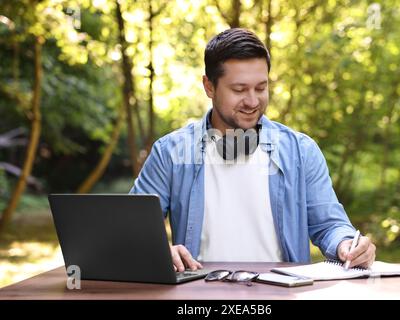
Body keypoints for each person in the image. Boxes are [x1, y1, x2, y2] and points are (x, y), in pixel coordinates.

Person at [130, 28, 376, 272]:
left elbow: (330, 225)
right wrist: (162, 251)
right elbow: (130, 233)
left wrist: (347, 244)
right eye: (239, 90)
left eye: (260, 88)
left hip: (282, 294)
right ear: (209, 87)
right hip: (198, 297)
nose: (252, 101)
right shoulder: (169, 152)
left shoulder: (301, 151)